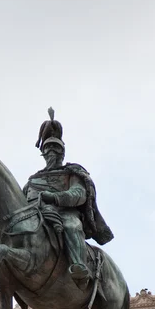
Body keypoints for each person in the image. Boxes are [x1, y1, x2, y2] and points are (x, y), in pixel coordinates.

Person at [23, 108, 113, 289]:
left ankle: (79, 266)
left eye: (55, 150)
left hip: (64, 214)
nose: (51, 153)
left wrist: (54, 197)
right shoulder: (33, 179)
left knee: (72, 226)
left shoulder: (71, 172)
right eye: (47, 150)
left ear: (62, 153)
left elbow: (78, 195)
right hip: (37, 215)